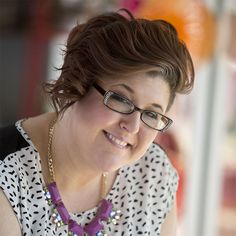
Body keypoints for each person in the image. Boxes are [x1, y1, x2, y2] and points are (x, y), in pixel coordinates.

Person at [0, 8, 194, 236]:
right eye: (121, 99)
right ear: (79, 83)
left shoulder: (153, 174)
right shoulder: (8, 174)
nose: (132, 126)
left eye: (152, 114)